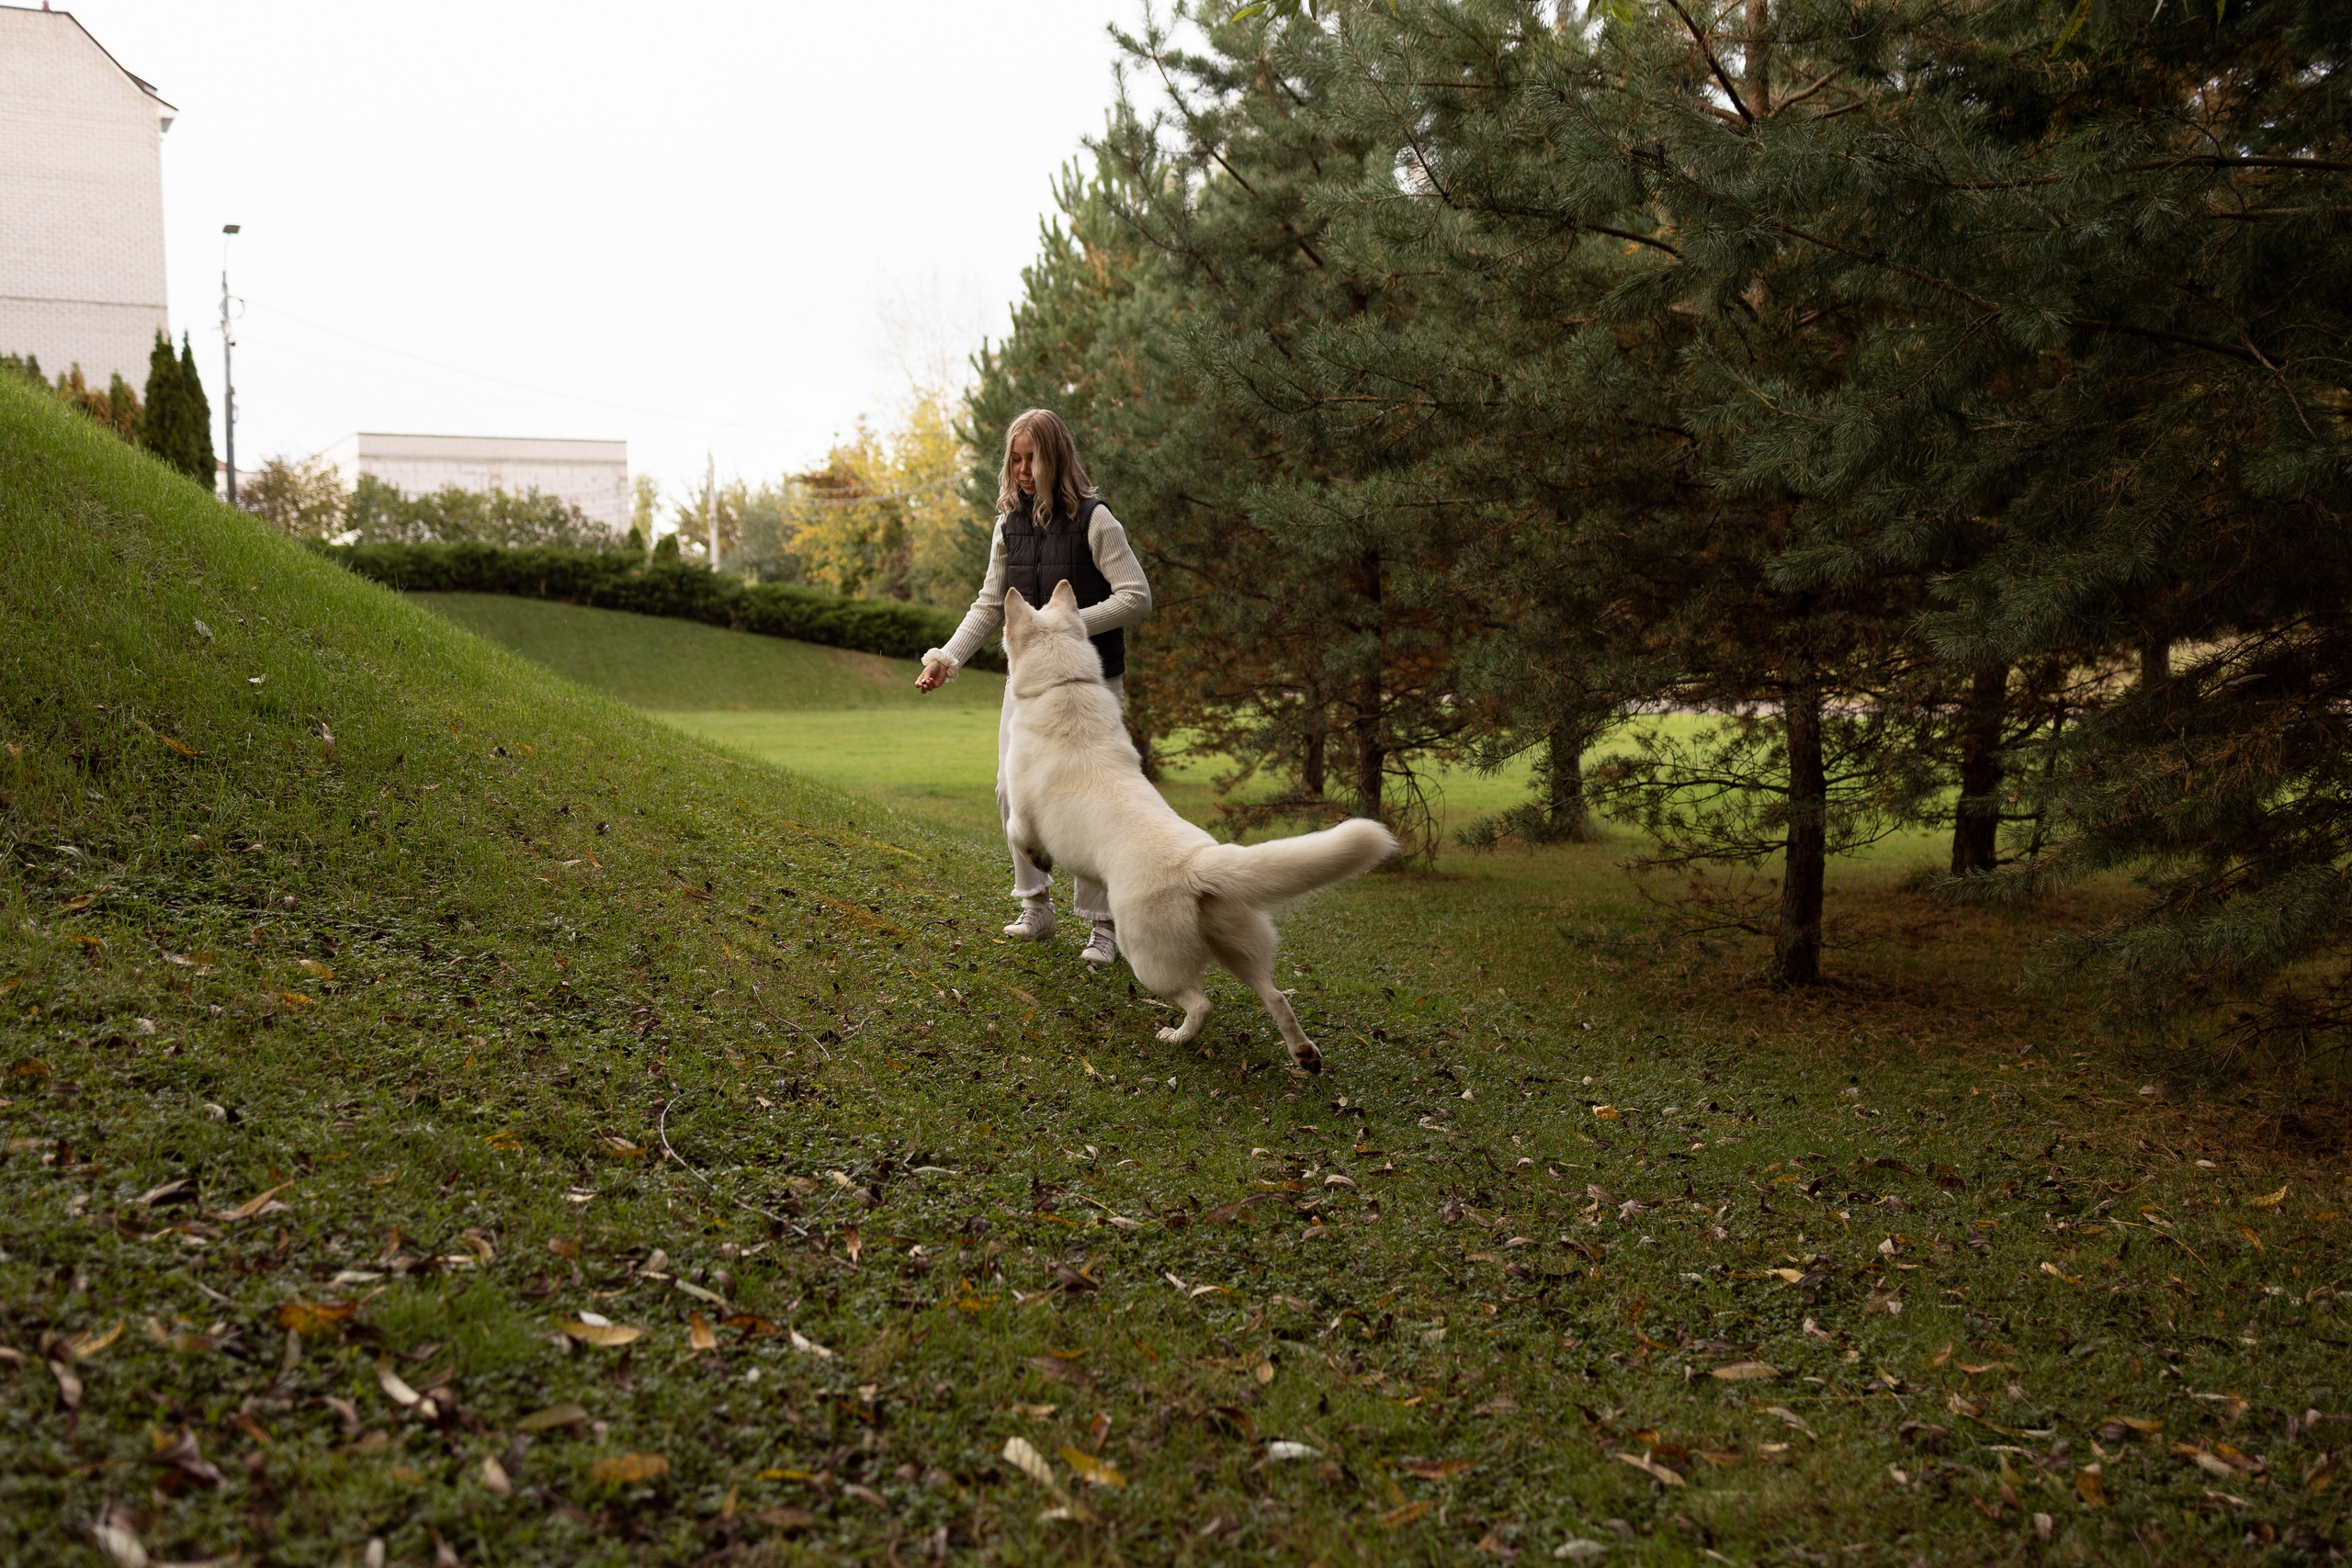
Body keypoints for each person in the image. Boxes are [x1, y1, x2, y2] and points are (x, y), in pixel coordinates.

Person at [917, 410, 1152, 968]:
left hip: (1089, 683)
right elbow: (991, 603)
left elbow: (1136, 596)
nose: (1023, 470)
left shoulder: (1097, 521)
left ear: (1057, 457)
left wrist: (1067, 623)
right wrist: (948, 657)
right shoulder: (1008, 525)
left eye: (1033, 458)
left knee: (1091, 798)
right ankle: (1035, 904)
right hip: (1027, 687)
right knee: (1009, 789)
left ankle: (1103, 925)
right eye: (1015, 459)